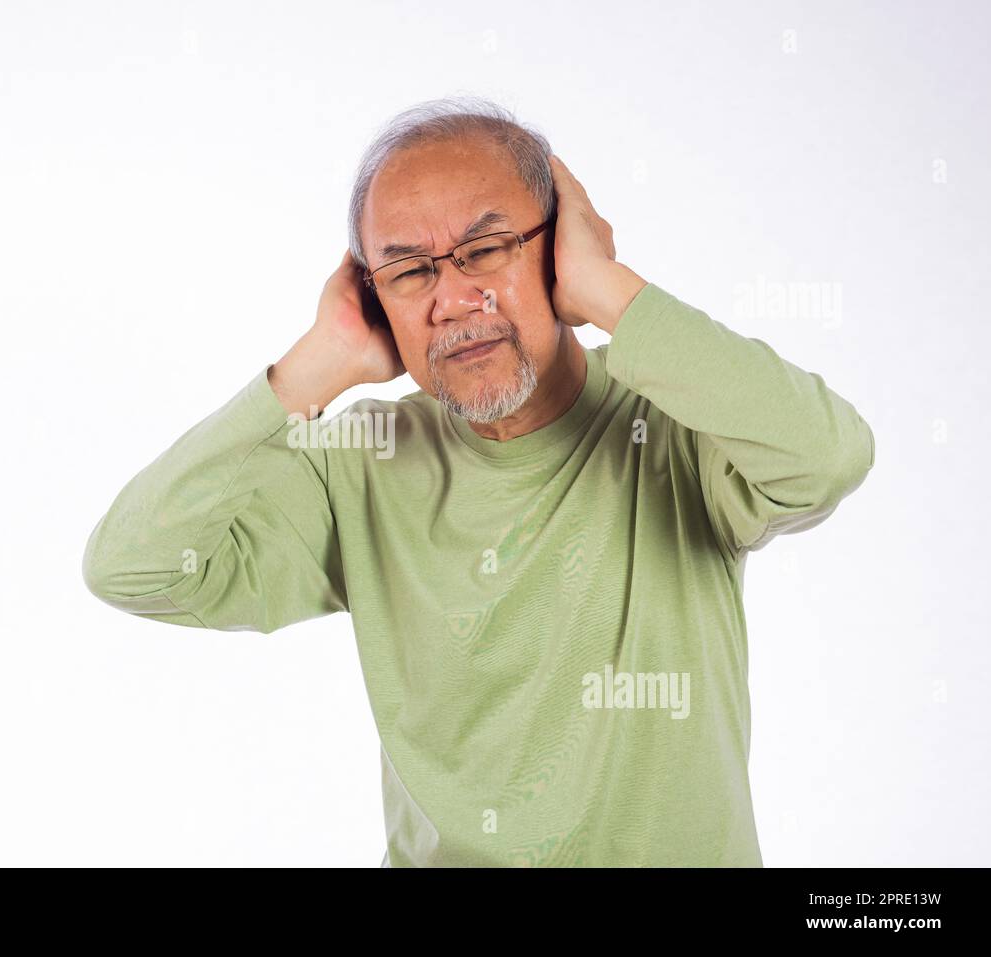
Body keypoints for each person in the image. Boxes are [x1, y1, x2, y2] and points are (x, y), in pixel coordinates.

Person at [81, 96, 875, 867]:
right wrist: (313, 367)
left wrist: (609, 291)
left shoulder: (676, 426)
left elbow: (829, 455)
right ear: (370, 296)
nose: (454, 300)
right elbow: (132, 566)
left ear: (560, 248)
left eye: (487, 250)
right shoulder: (359, 464)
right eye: (409, 271)